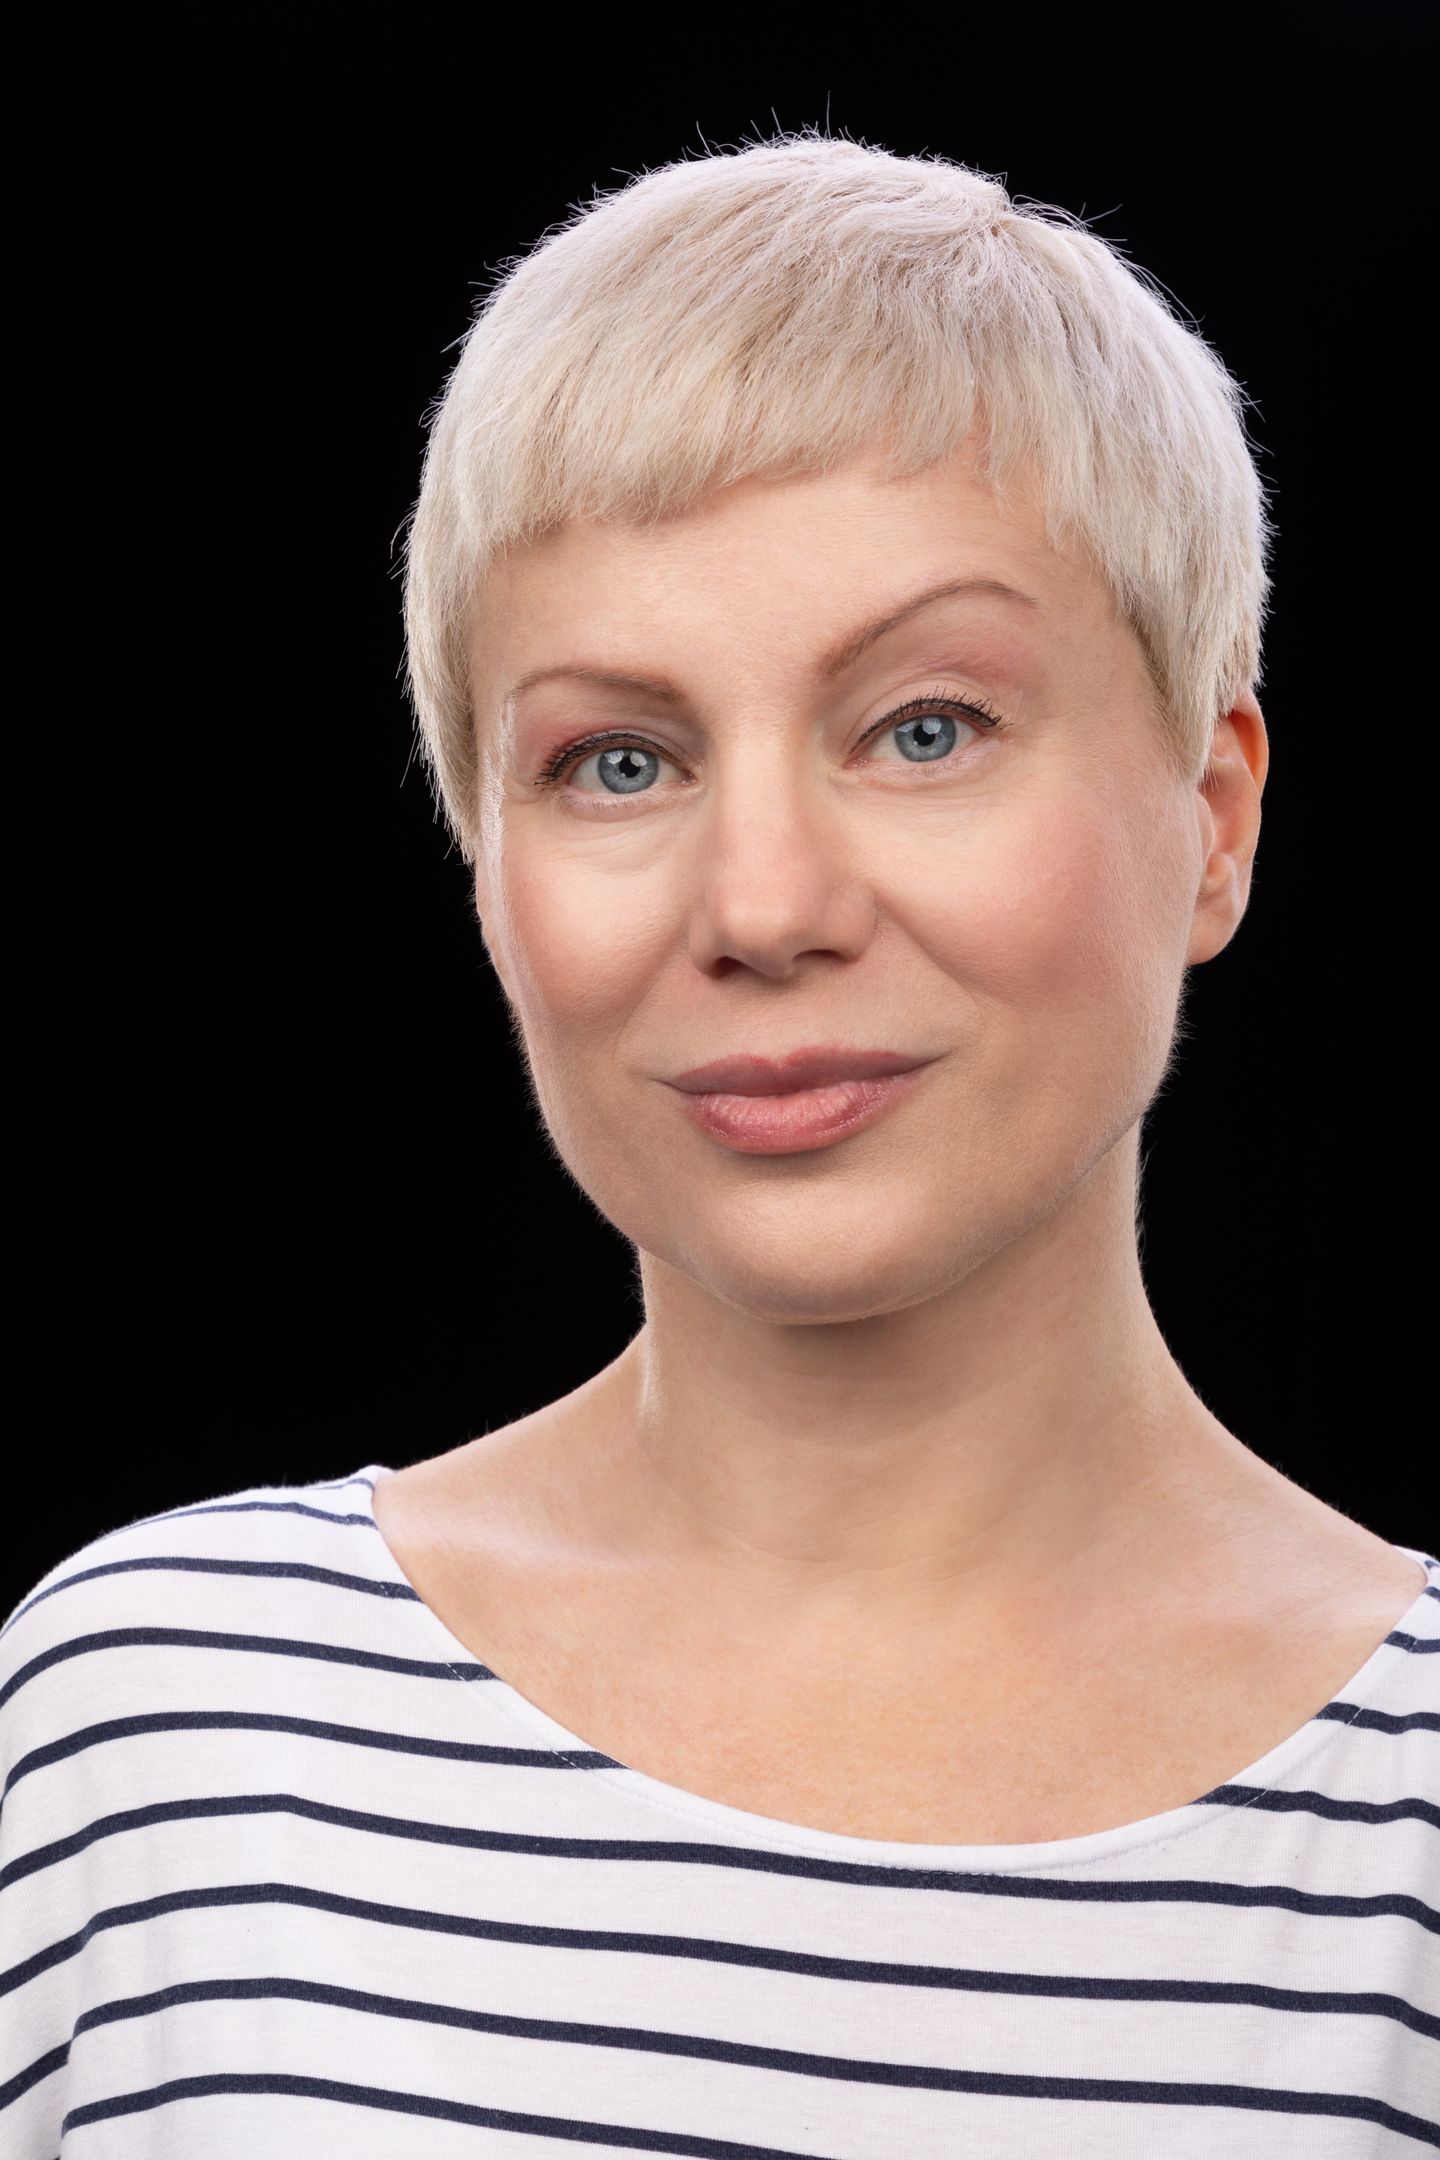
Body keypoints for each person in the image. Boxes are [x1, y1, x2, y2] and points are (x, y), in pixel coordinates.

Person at [3, 130, 1434, 2157]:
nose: (762, 904)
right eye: (619, 761)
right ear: (488, 869)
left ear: (1214, 819)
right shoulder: (152, 1724)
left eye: (926, 727)